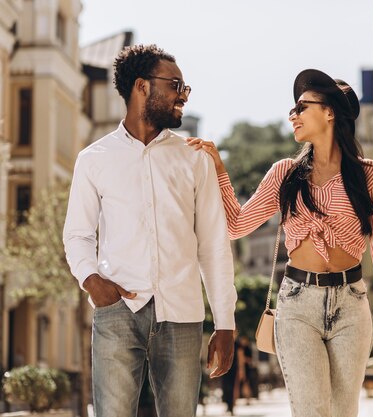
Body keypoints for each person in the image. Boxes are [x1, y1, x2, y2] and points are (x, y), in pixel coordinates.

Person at [187, 69, 373, 417]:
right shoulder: (286, 173)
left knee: (343, 410)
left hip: (352, 303)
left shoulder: (372, 175)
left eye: (301, 106)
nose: (292, 115)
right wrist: (221, 171)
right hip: (297, 305)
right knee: (312, 411)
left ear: (329, 111)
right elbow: (237, 225)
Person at [63, 44, 237, 417]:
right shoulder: (93, 159)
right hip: (117, 309)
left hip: (182, 312)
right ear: (142, 86)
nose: (183, 97)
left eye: (185, 89)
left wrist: (225, 323)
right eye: (176, 85)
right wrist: (91, 280)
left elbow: (213, 245)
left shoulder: (195, 158)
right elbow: (78, 233)